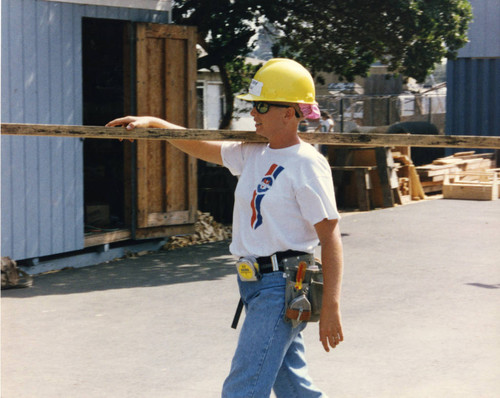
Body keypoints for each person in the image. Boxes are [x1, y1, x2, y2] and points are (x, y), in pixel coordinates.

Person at [106, 58, 344, 398]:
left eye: (261, 106)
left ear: (289, 113)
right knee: (293, 387)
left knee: (243, 388)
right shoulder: (253, 152)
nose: (253, 113)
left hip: (283, 286)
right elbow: (200, 145)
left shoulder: (307, 164)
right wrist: (156, 124)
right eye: (252, 105)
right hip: (254, 284)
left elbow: (330, 238)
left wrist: (332, 307)